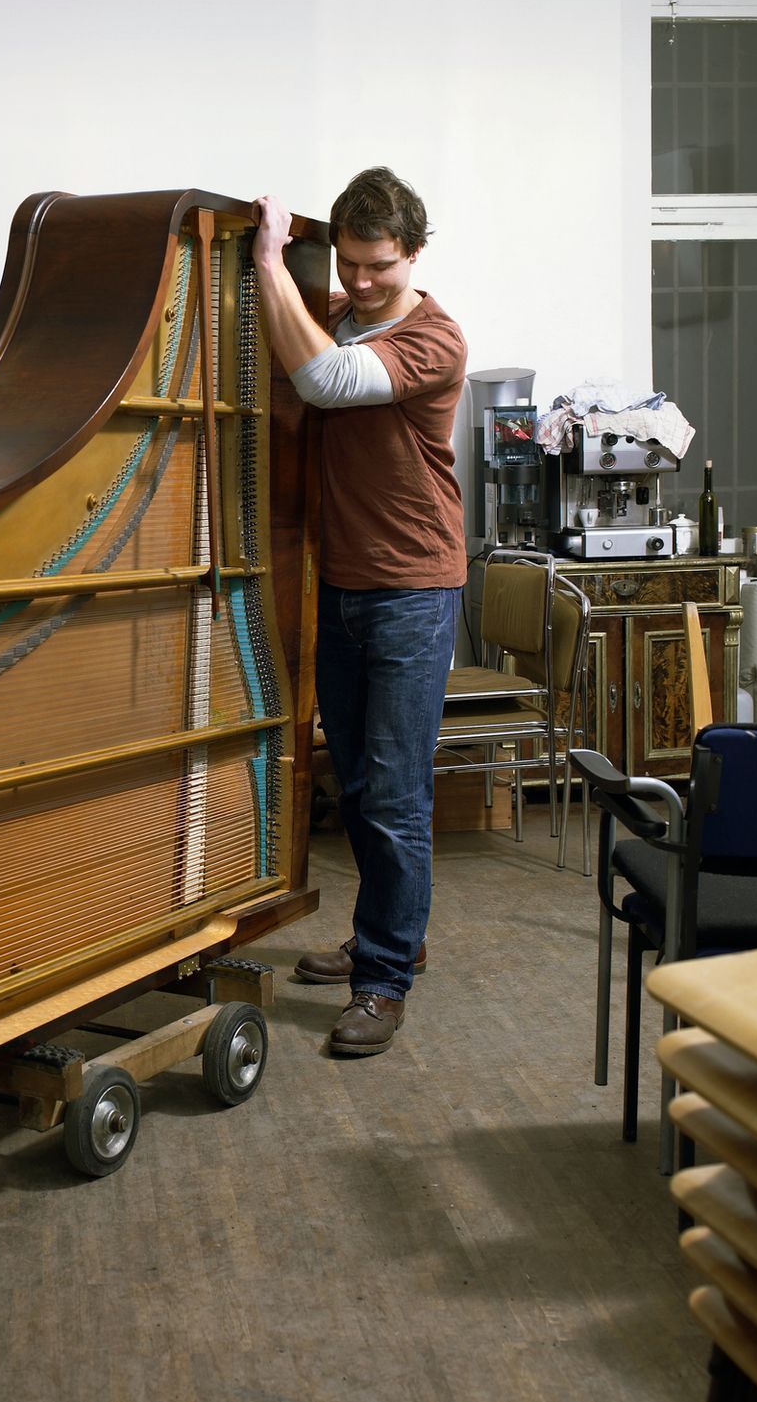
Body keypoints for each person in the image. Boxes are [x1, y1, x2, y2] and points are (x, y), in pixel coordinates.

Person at [251, 168, 467, 1057]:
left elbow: (327, 381)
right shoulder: (340, 311)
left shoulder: (435, 339)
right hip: (341, 582)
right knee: (361, 784)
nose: (362, 281)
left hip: (414, 588)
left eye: (379, 265)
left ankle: (384, 979)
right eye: (349, 263)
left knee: (396, 797)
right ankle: (392, 931)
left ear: (413, 253)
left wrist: (269, 257)